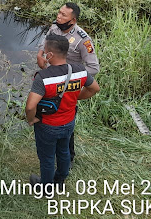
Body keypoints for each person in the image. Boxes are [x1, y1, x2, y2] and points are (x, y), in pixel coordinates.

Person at [25, 33, 99, 186]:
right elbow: (94, 89)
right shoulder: (79, 70)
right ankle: (60, 179)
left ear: (50, 54)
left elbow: (31, 106)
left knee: (47, 157)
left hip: (48, 125)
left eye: (45, 51)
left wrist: (31, 119)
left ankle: (46, 187)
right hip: (69, 122)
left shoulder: (43, 77)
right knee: (64, 151)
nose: (44, 54)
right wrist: (76, 97)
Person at [36, 2, 98, 162]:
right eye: (59, 12)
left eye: (64, 15)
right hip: (50, 80)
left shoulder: (82, 40)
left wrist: (73, 79)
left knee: (66, 120)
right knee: (46, 115)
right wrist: (40, 54)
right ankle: (48, 146)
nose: (59, 16)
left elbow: (93, 67)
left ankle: (68, 157)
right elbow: (45, 42)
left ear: (73, 20)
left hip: (67, 87)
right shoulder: (54, 28)